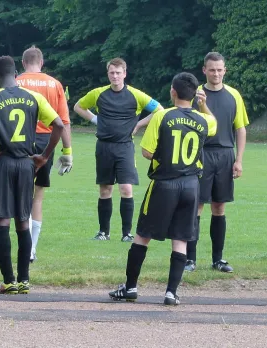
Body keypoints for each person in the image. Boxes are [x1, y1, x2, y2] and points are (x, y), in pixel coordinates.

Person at [109, 72, 217, 305]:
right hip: (191, 185)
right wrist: (204, 105)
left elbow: (147, 151)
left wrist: (165, 156)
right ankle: (171, 292)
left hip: (164, 183)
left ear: (172, 92)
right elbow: (214, 125)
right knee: (180, 239)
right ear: (195, 94)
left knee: (142, 235)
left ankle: (130, 287)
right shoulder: (203, 120)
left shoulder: (162, 116)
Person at [0, 56, 64, 294]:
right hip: (26, 164)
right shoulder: (34, 97)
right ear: (16, 74)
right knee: (23, 221)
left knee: (2, 220)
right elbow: (59, 124)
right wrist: (44, 156)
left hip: (3, 163)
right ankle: (24, 280)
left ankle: (8, 281)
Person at [74, 58, 163, 242]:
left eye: (118, 72)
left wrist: (139, 124)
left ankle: (127, 233)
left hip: (125, 147)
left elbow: (159, 110)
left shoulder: (136, 95)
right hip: (104, 146)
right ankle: (103, 232)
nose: (115, 76)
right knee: (105, 189)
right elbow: (78, 106)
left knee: (125, 188)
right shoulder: (98, 94)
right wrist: (95, 120)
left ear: (125, 73)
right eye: (111, 73)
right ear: (108, 74)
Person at [184, 52, 249, 273]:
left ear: (225, 70)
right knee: (197, 206)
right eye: (212, 69)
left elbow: (240, 128)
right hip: (201, 154)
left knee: (219, 207)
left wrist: (239, 159)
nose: (216, 73)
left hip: (225, 154)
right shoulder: (195, 95)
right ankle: (189, 259)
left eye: (220, 69)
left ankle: (217, 259)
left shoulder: (234, 95)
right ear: (204, 70)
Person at [16, 46, 72, 263]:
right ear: (42, 62)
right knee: (38, 196)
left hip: (19, 141)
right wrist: (67, 151)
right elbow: (64, 121)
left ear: (23, 63)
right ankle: (32, 249)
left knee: (21, 194)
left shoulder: (16, 82)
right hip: (46, 141)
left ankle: (23, 246)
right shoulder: (54, 84)